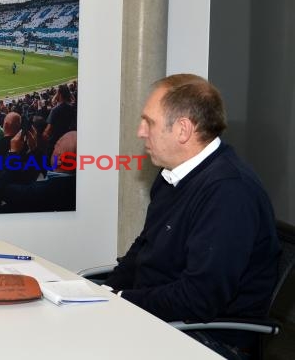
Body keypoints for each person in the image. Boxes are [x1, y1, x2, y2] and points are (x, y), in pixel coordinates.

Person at [105, 74, 279, 359]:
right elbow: (144, 246)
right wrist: (108, 288)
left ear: (183, 130)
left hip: (204, 338)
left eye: (149, 122)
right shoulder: (171, 176)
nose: (140, 131)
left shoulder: (230, 192)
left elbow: (198, 298)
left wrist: (121, 300)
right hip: (157, 319)